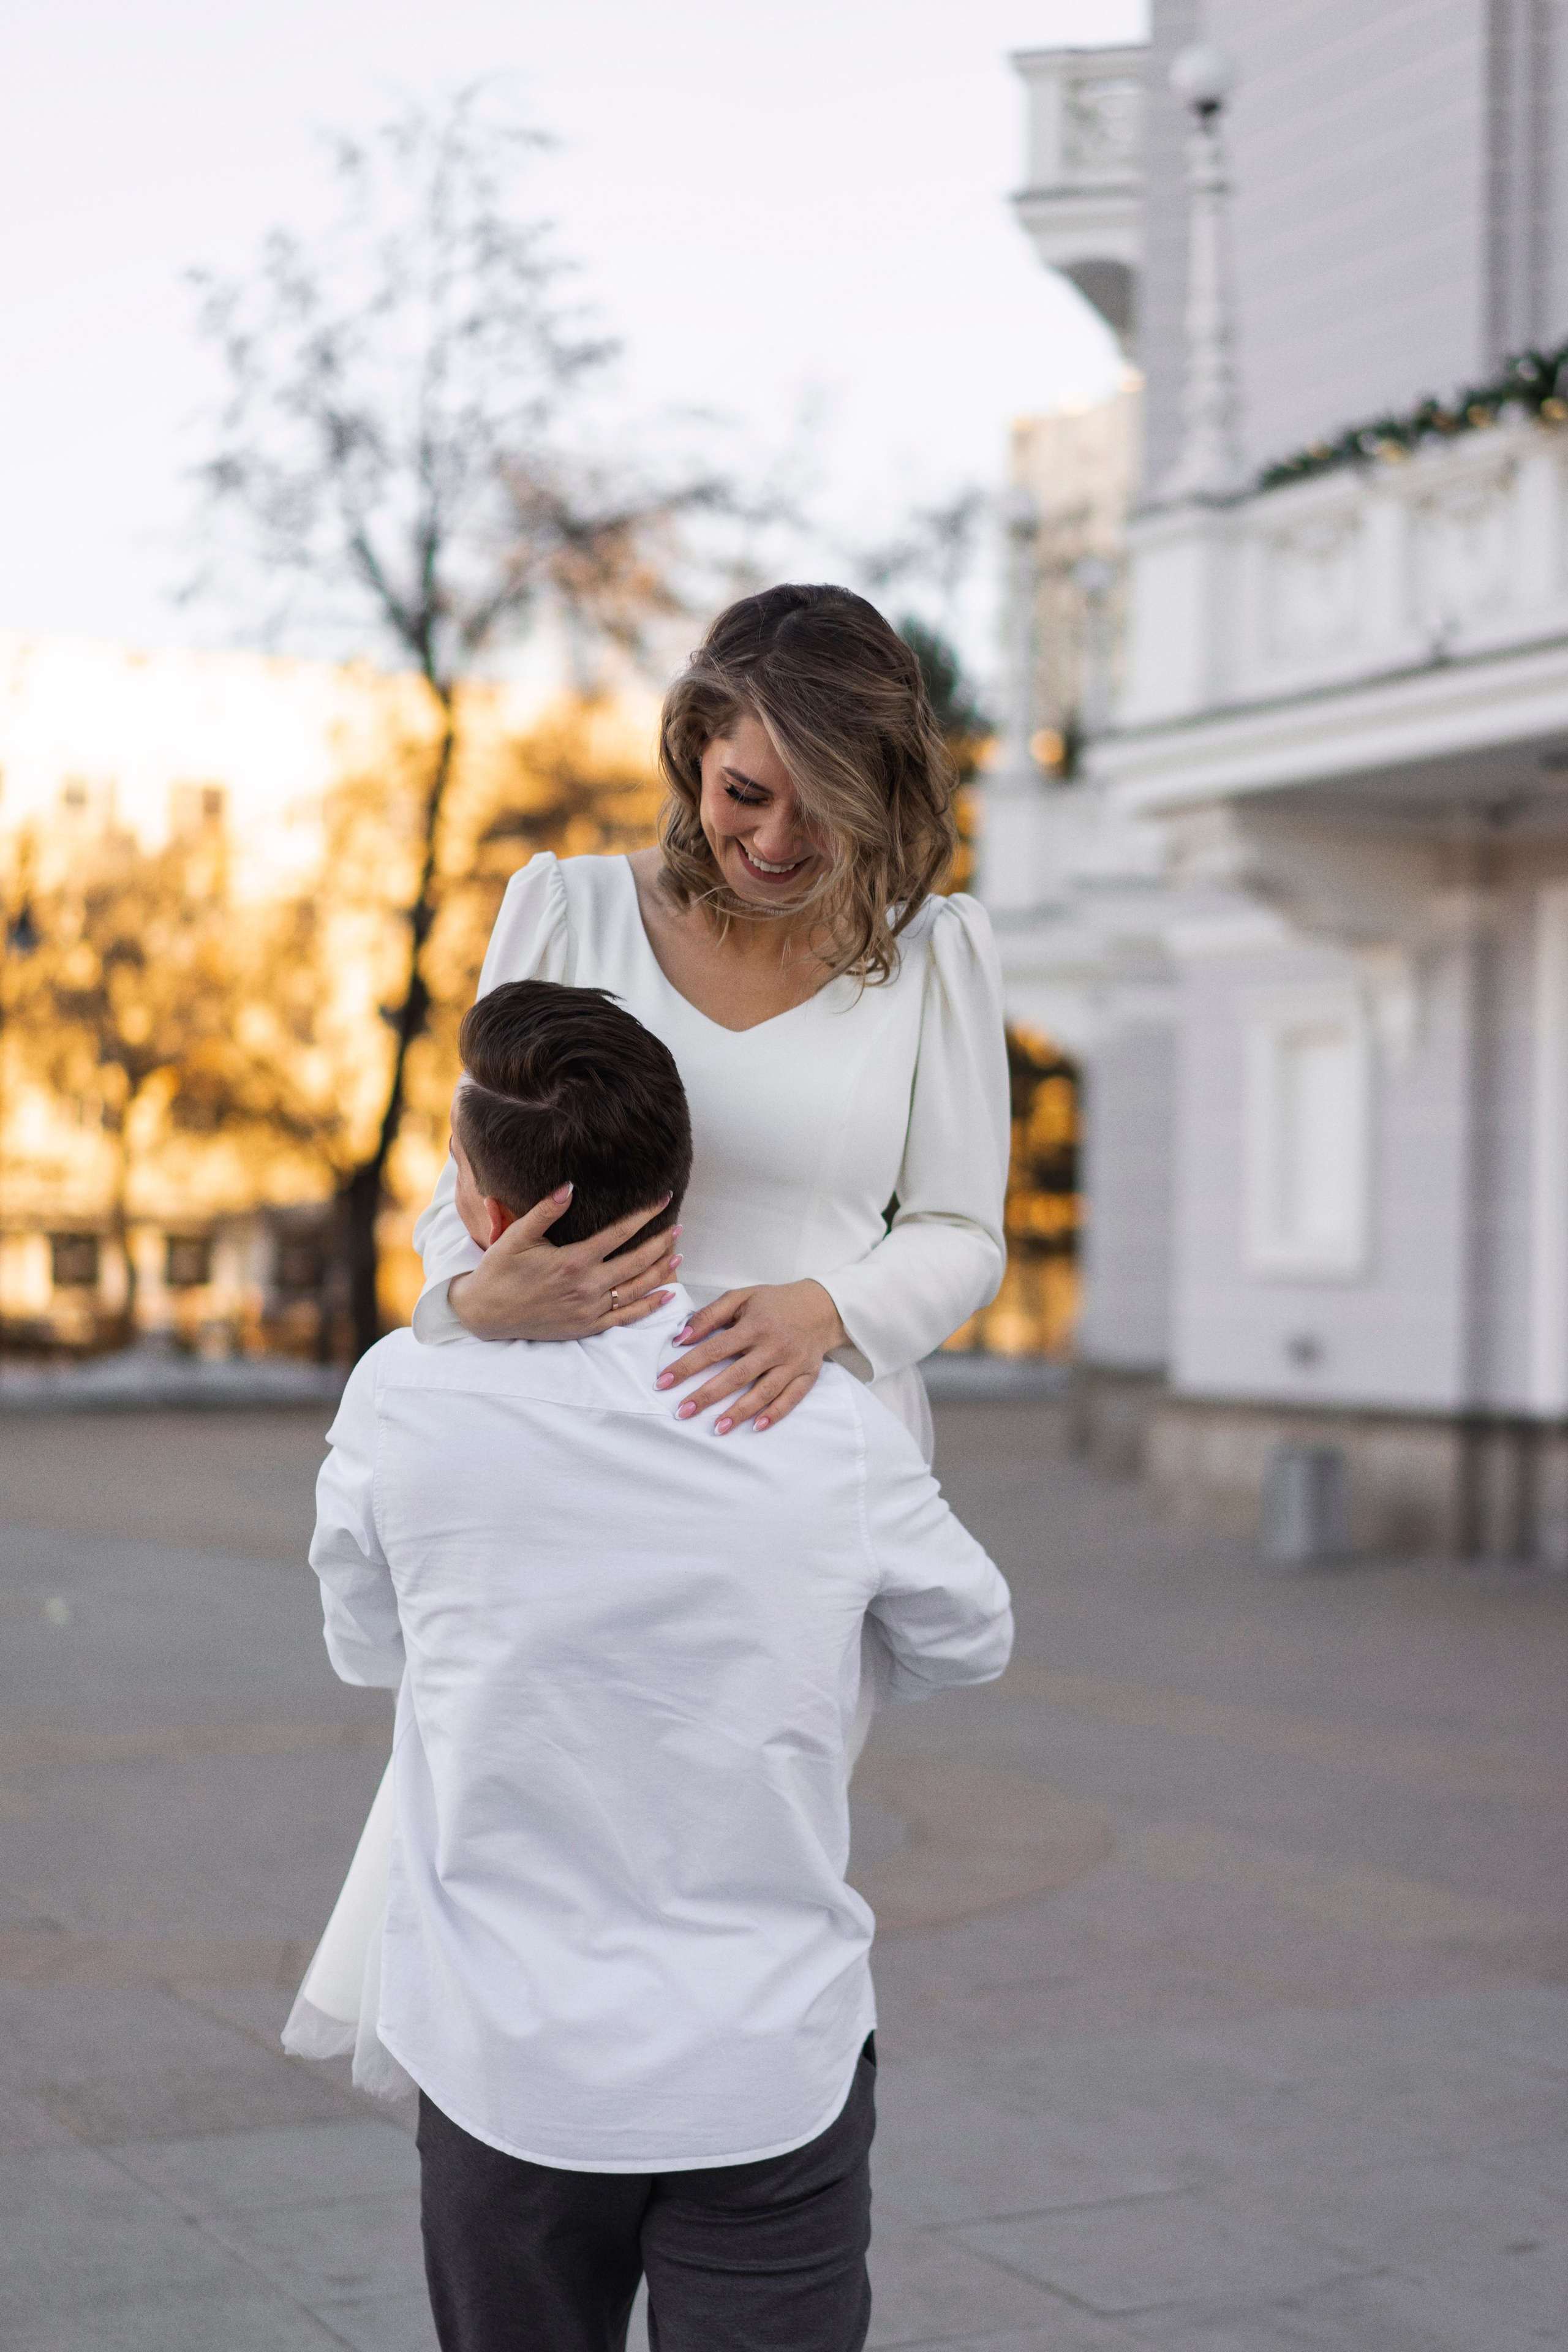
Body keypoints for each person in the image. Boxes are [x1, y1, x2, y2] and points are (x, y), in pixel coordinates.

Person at [284, 580, 1011, 2089]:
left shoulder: (933, 956)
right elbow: (458, 1189)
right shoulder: (565, 908)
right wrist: (466, 1302)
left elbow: (961, 1232)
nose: (774, 842)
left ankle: (721, 2142)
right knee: (513, 1796)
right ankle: (519, 2149)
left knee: (734, 1822)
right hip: (551, 1431)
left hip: (793, 1446)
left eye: (825, 809)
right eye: (747, 792)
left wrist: (829, 1310)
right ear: (692, 751)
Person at [309, 979, 1014, 2352]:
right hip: (765, 2060)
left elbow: (362, 1643)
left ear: (484, 1205)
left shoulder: (400, 1396)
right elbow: (969, 1634)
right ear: (678, 1191)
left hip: (500, 2056)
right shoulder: (821, 1417)